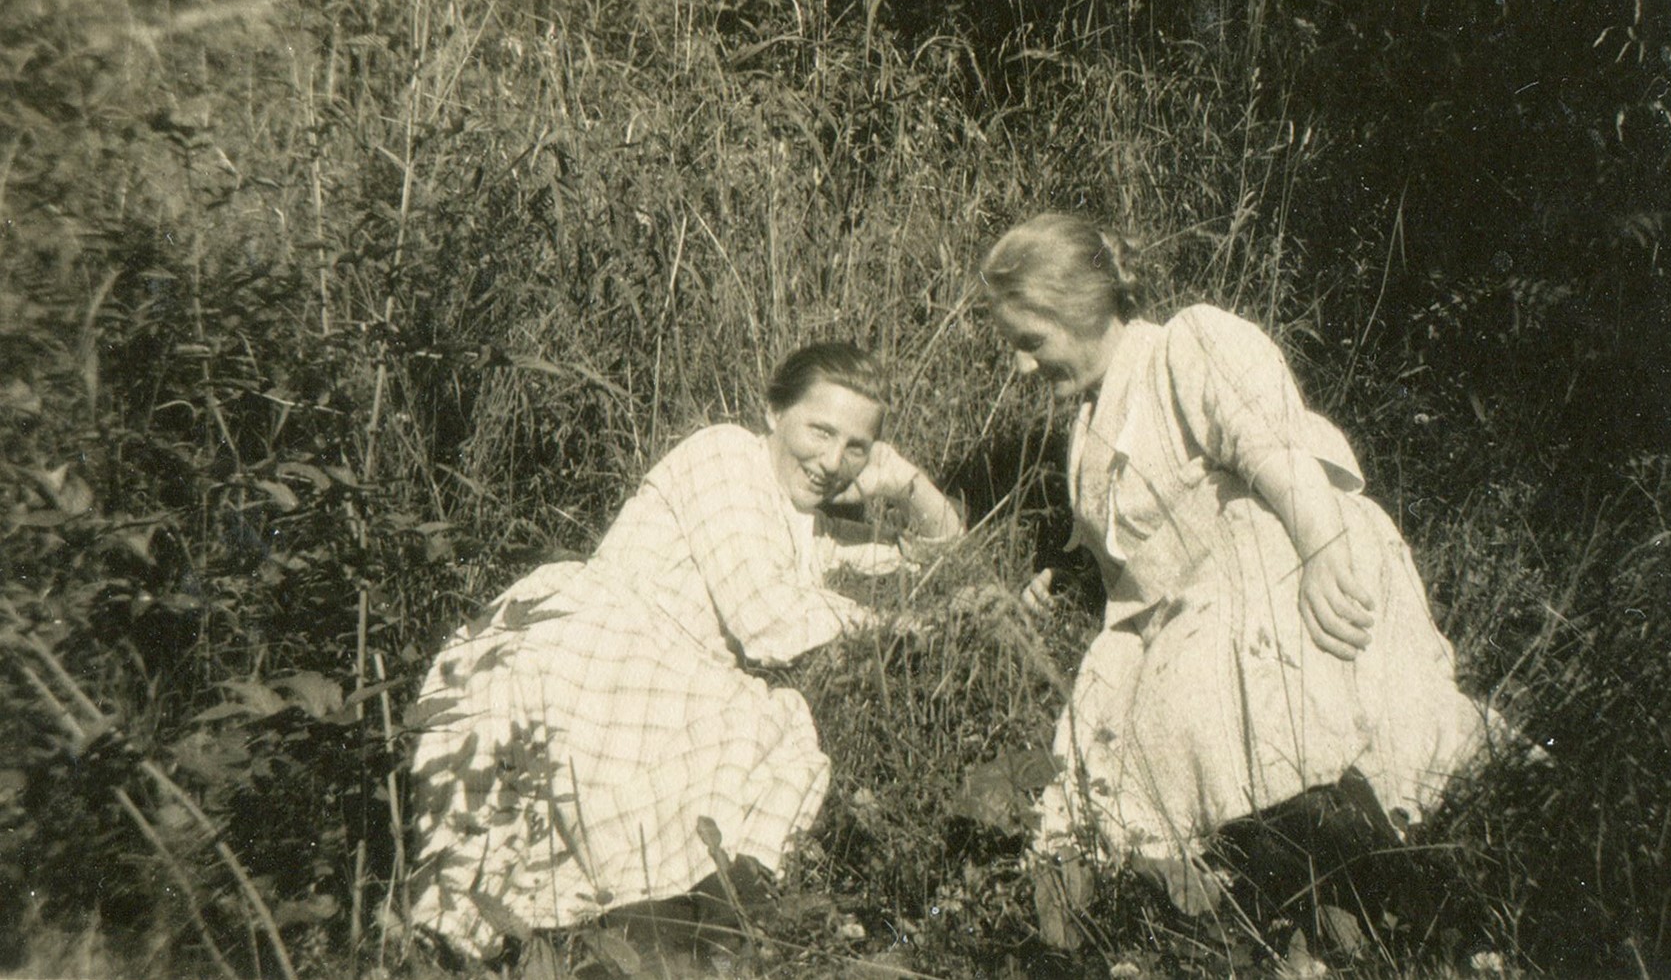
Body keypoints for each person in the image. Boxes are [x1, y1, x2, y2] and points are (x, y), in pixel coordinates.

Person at [980, 212, 1499, 945]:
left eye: (1030, 342)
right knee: (1120, 732)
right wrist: (1066, 581)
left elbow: (1275, 451)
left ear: (1080, 306)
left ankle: (1344, 849)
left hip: (1276, 555)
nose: (1023, 368)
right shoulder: (1086, 430)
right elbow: (1127, 553)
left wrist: (1320, 553)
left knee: (1236, 699)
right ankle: (1280, 877)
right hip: (1180, 605)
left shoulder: (1186, 345)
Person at [406, 342, 962, 961]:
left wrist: (905, 482)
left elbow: (939, 553)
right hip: (596, 642)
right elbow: (768, 620)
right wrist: (911, 627)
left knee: (763, 735)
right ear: (774, 410)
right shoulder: (726, 457)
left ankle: (640, 938)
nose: (833, 461)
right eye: (821, 430)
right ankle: (601, 933)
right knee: (762, 729)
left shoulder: (805, 527)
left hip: (658, 671)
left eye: (855, 446)